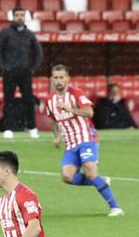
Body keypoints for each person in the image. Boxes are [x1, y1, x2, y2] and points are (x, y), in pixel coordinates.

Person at [45, 64, 124, 217]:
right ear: (51, 80)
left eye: (62, 77)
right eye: (55, 77)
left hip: (86, 138)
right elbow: (54, 120)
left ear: (68, 79)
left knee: (89, 169)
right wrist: (57, 136)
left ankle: (115, 208)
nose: (59, 80)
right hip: (70, 144)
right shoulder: (50, 100)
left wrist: (70, 109)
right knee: (67, 176)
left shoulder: (76, 93)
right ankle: (100, 181)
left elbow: (89, 112)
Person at [0, 7, 43, 140]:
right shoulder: (5, 32)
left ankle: (32, 128)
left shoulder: (29, 34)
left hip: (25, 72)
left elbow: (39, 53)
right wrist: (3, 67)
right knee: (8, 101)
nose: (20, 17)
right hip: (9, 72)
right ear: (13, 17)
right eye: (17, 15)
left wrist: (32, 69)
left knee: (29, 101)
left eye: (22, 15)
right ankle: (8, 129)